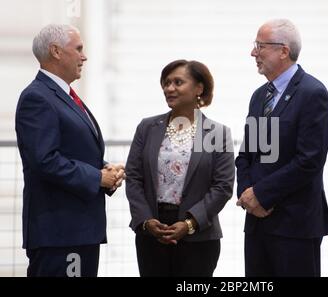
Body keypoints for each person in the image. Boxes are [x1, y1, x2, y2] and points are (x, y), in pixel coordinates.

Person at [15, 24, 125, 277]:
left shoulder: (62, 95)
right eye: (78, 49)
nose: (84, 56)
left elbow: (73, 151)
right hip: (59, 233)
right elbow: (44, 160)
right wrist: (97, 177)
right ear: (56, 51)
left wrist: (104, 169)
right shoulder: (38, 97)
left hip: (79, 229)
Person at [235, 19, 328, 277]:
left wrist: (262, 194)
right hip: (257, 224)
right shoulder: (259, 96)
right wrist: (247, 196)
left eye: (260, 46)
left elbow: (309, 161)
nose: (253, 53)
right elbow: (246, 155)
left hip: (295, 225)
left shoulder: (313, 93)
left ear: (283, 50)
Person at [125, 59, 235, 277]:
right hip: (152, 232)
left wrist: (190, 223)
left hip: (199, 235)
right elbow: (134, 178)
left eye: (178, 82)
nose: (169, 88)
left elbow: (222, 187)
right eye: (166, 83)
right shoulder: (147, 127)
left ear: (199, 88)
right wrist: (146, 221)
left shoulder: (217, 133)